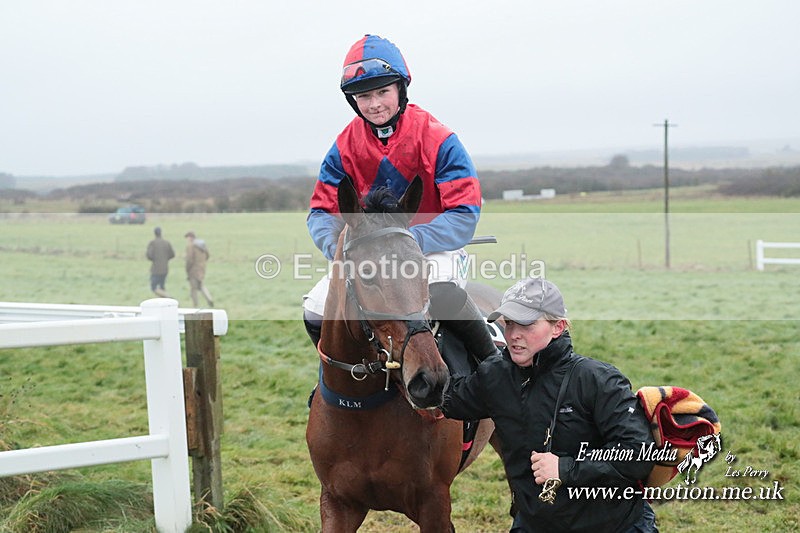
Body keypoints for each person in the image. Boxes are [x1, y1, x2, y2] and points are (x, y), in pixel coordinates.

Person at [302, 34, 498, 362]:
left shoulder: (439, 139)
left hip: (434, 249)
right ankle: (335, 389)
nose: (375, 104)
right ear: (353, 100)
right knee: (317, 310)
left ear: (400, 89)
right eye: (364, 96)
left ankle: (492, 375)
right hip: (368, 254)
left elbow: (464, 211)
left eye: (383, 91)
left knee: (441, 293)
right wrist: (338, 248)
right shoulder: (343, 147)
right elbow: (321, 211)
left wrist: (407, 241)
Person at [442, 277, 658, 532]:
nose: (514, 335)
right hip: (535, 523)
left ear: (558, 327)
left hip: (613, 525)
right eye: (509, 323)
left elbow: (639, 454)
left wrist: (565, 468)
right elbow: (448, 399)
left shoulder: (597, 380)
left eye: (527, 324)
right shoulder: (496, 376)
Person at [184, 231, 213, 307]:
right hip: (202, 269)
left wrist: (187, 269)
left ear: (190, 237)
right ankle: (209, 299)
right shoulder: (202, 245)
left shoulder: (191, 246)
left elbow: (189, 260)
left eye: (187, 238)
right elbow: (207, 255)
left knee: (193, 289)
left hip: (193, 270)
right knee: (201, 285)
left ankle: (195, 305)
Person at [145, 226, 175, 298]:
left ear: (154, 233)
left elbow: (149, 255)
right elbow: (172, 254)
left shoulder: (152, 243)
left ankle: (169, 298)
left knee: (154, 287)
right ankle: (164, 303)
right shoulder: (166, 243)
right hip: (165, 269)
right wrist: (165, 259)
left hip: (156, 269)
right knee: (162, 287)